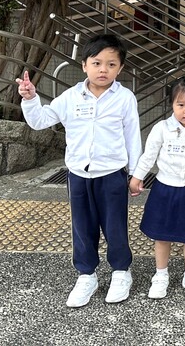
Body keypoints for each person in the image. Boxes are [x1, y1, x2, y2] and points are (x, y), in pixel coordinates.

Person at [16, 34, 142, 308]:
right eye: (97, 63)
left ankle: (121, 272)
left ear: (120, 68)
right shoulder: (70, 97)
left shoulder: (124, 98)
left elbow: (133, 136)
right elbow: (40, 120)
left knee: (115, 227)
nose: (103, 70)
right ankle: (87, 275)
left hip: (112, 174)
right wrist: (30, 98)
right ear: (84, 65)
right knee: (82, 228)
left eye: (111, 64)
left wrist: (136, 174)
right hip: (78, 175)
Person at [128, 76, 185, 299]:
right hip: (165, 188)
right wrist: (137, 177)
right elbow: (149, 155)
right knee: (162, 235)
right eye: (180, 104)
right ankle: (161, 275)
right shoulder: (162, 128)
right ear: (171, 104)